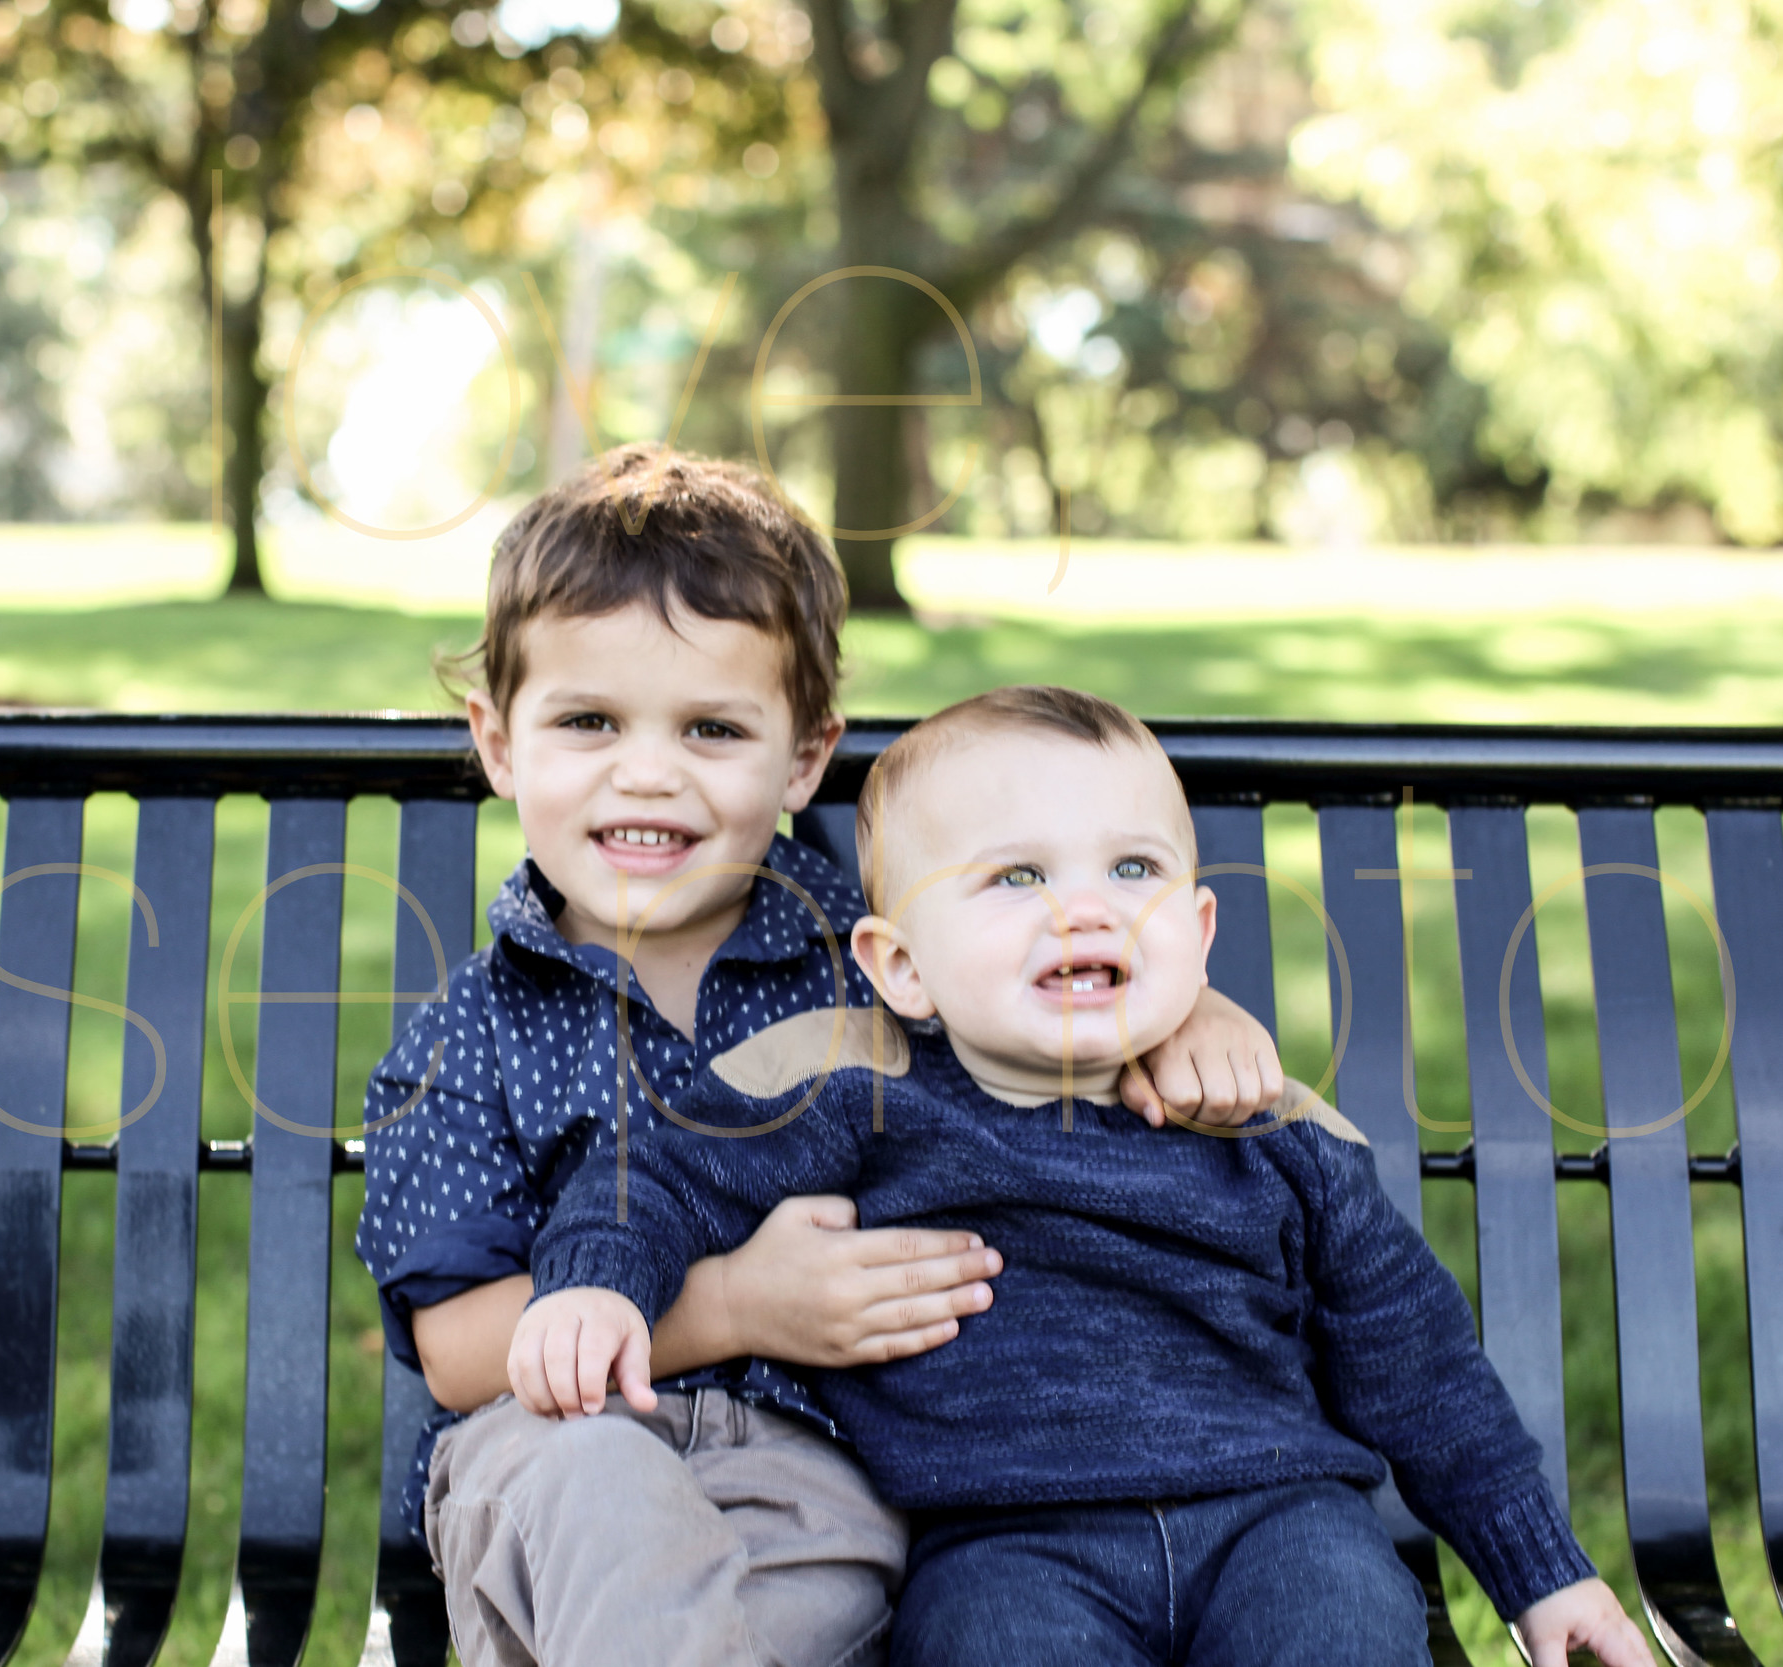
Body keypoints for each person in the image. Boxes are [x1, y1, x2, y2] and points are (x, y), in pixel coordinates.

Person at [352, 452, 1292, 1667]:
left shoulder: (881, 966)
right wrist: (738, 1303)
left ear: (803, 757)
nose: (648, 771)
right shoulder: (464, 1037)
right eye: (588, 721)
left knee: (770, 1621)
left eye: (712, 728)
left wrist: (1187, 1012)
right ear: (497, 740)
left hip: (816, 1469)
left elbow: (1051, 990)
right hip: (553, 1442)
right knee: (603, 1509)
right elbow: (460, 1348)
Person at [511, 685, 1656, 1667]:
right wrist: (599, 1281)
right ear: (900, 965)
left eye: (1132, 867)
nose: (1087, 904)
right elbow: (653, 1173)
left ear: (1197, 932)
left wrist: (1538, 1571)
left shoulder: (1270, 1128)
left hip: (1277, 1514)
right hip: (1004, 1536)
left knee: (1347, 1621)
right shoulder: (859, 1091)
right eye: (1015, 876)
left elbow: (1421, 1363)